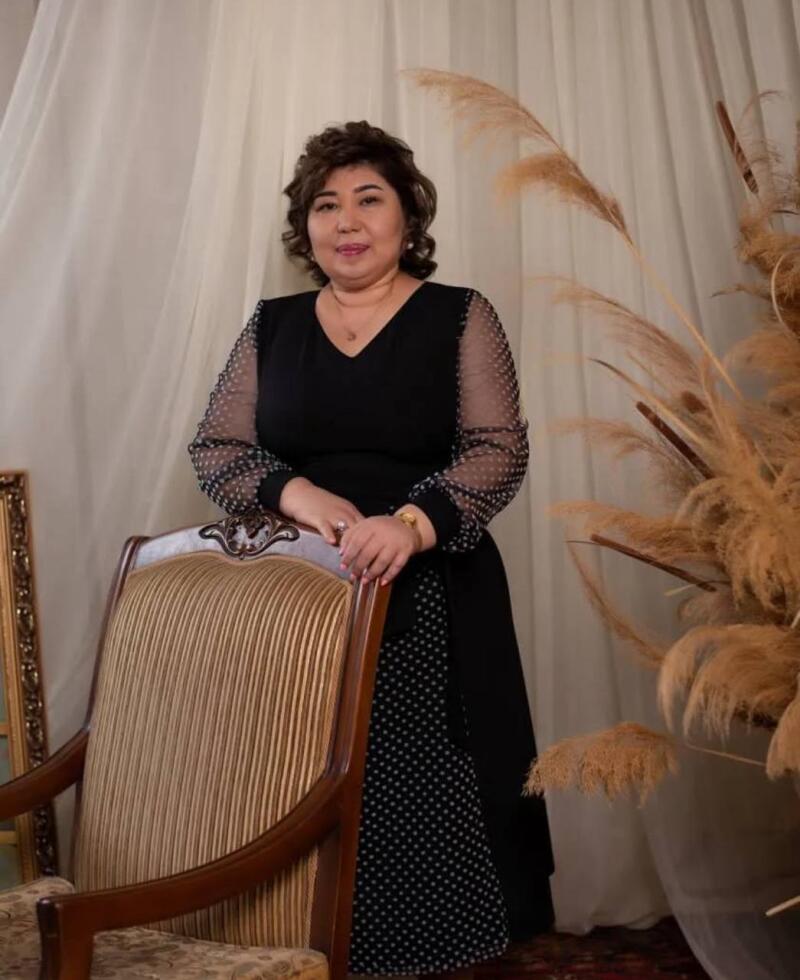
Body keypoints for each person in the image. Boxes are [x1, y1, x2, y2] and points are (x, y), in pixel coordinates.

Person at [189, 120, 553, 979]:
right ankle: (306, 954)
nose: (346, 220)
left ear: (407, 217)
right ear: (305, 226)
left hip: (432, 600)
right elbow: (218, 447)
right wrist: (298, 494)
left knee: (425, 794)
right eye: (326, 203)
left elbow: (499, 446)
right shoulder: (271, 326)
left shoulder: (459, 315)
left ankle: (438, 956)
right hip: (300, 598)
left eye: (368, 199)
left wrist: (413, 522)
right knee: (303, 781)